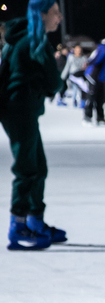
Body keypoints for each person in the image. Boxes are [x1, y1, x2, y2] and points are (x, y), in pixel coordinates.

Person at [2, 0, 67, 250]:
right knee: (28, 169)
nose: (59, 18)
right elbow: (55, 83)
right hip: (20, 111)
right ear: (41, 15)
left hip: (18, 111)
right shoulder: (35, 43)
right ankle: (18, 226)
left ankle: (34, 221)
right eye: (55, 12)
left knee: (37, 167)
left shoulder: (25, 40)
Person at [83, 35, 105, 125]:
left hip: (101, 77)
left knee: (100, 97)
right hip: (94, 76)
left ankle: (100, 117)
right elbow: (94, 61)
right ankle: (87, 117)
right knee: (91, 96)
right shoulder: (101, 50)